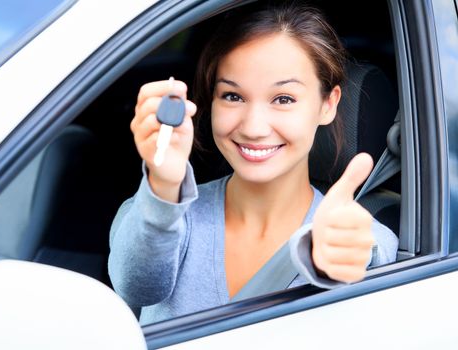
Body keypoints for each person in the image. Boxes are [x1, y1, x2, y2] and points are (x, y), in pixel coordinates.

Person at [108, 1, 398, 325]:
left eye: (283, 99)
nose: (253, 128)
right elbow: (135, 288)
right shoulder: (157, 213)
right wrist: (163, 187)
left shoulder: (359, 233)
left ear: (327, 105)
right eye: (233, 96)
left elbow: (365, 252)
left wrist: (332, 258)